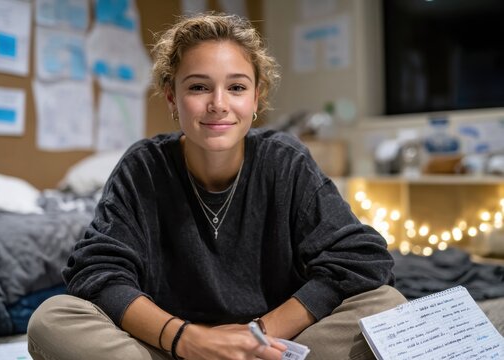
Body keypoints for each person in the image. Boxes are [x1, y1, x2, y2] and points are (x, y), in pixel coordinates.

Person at [27, 12, 406, 360]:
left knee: (386, 303)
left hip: (271, 348)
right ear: (172, 97)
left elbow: (361, 258)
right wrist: (189, 339)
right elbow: (98, 271)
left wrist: (255, 334)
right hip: (169, 347)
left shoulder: (285, 160)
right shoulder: (143, 166)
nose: (218, 104)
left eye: (237, 87)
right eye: (198, 88)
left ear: (257, 97)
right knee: (54, 318)